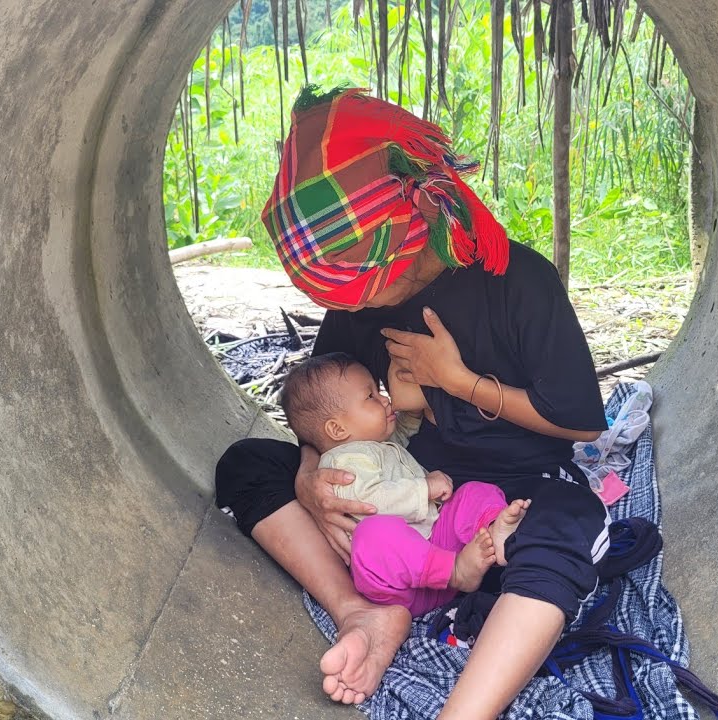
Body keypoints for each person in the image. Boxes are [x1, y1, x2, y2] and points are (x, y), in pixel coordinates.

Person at [215, 85, 610, 717]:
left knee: (568, 521)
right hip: (395, 486)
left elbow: (581, 423)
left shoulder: (518, 281)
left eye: (357, 285)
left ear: (407, 236)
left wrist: (456, 380)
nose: (350, 303)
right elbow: (323, 409)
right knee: (248, 463)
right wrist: (313, 478)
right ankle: (361, 612)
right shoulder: (358, 305)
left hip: (507, 493)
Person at [279, 351, 531, 616]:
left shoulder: (375, 444)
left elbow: (402, 432)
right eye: (371, 397)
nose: (385, 399)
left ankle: (493, 528)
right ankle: (456, 571)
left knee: (472, 492)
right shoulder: (342, 463)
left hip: (437, 547)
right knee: (372, 536)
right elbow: (372, 503)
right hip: (404, 585)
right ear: (337, 429)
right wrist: (425, 488)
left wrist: (412, 411)